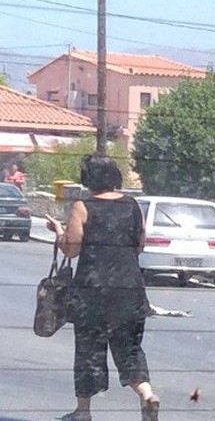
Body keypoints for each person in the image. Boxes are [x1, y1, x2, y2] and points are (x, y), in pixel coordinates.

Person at [46, 155, 159, 421]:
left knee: (88, 351)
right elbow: (140, 245)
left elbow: (71, 249)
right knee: (130, 348)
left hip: (93, 293)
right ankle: (147, 395)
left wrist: (59, 231)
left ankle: (83, 411)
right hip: (130, 290)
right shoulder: (133, 206)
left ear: (88, 179)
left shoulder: (82, 207)